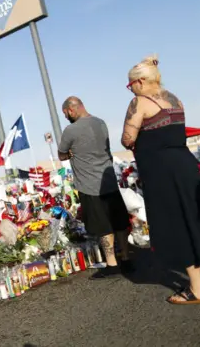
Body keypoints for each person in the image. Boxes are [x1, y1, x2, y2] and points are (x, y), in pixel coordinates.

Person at [121, 54, 200, 305]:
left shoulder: (139, 102)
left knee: (176, 223)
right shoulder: (175, 99)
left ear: (140, 82)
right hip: (184, 163)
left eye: (130, 85)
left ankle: (197, 288)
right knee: (193, 219)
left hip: (161, 170)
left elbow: (127, 138)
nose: (131, 90)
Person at [58, 97, 134, 279]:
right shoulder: (101, 123)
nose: (67, 117)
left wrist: (70, 153)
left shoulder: (70, 130)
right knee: (119, 221)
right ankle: (125, 257)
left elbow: (61, 155)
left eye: (66, 114)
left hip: (89, 184)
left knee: (103, 225)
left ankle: (111, 263)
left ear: (70, 110)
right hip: (108, 180)